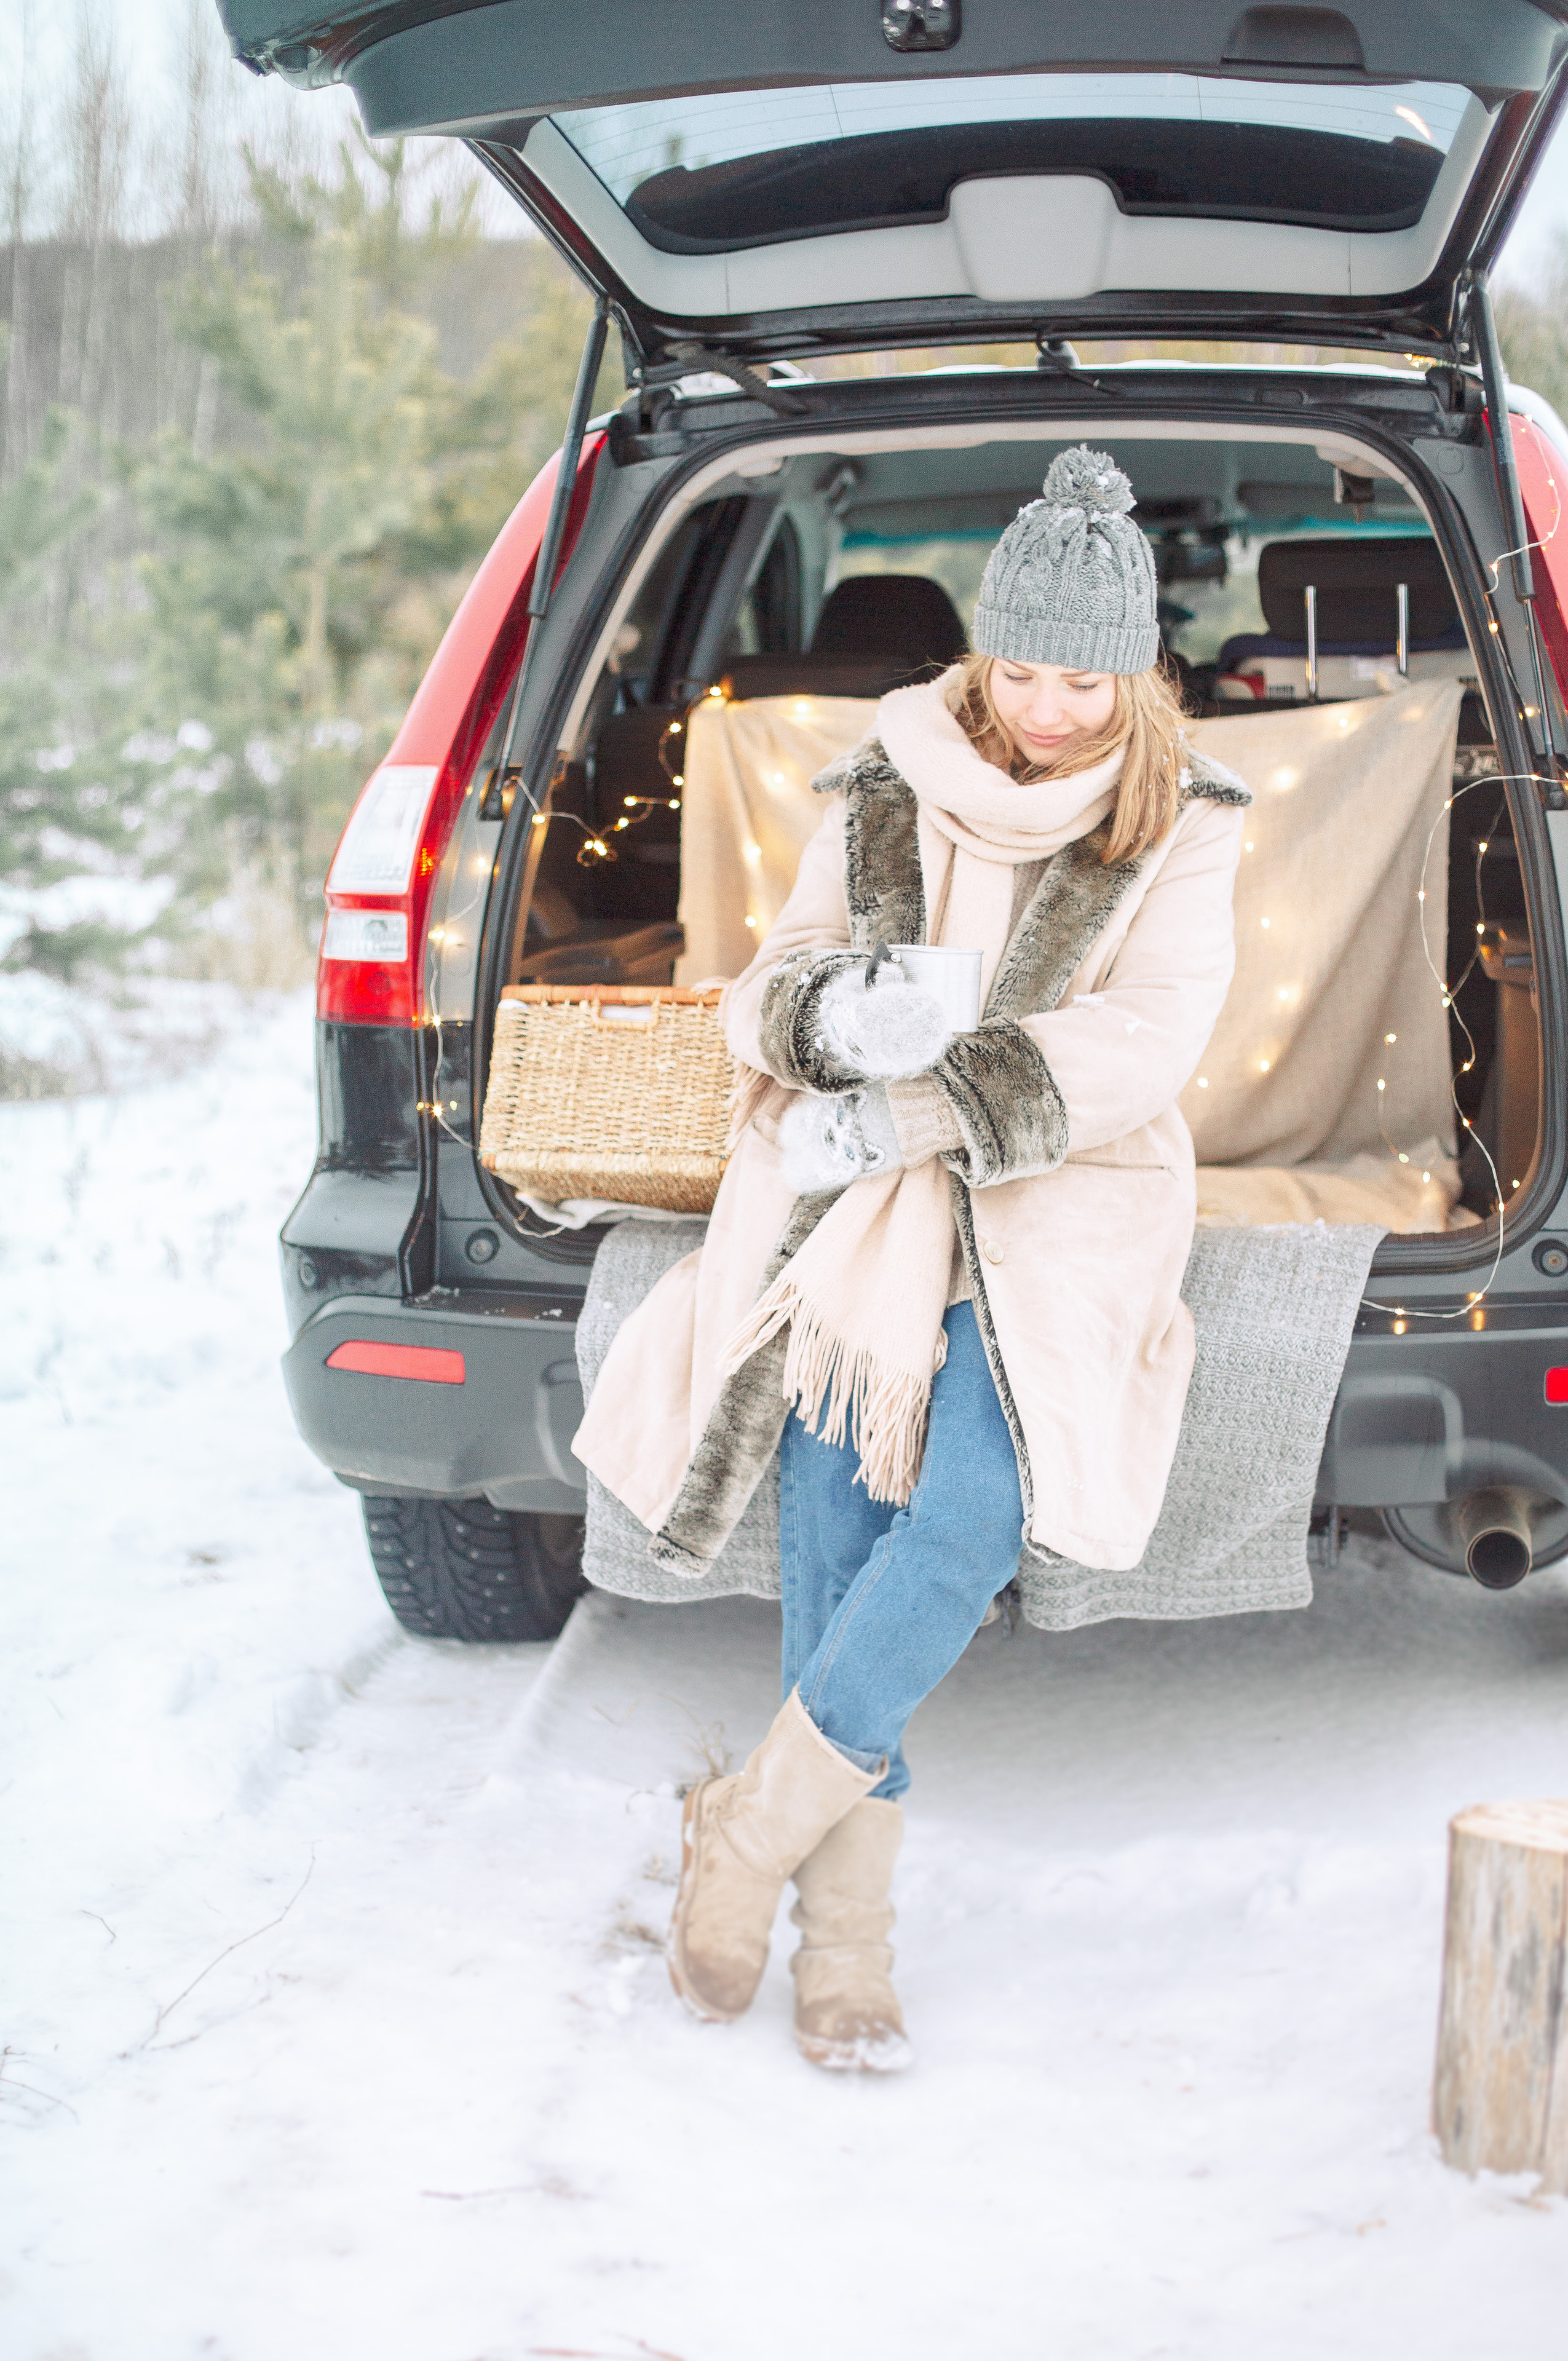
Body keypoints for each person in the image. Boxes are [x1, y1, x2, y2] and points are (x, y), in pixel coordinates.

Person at [573, 446, 1251, 2073]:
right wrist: (830, 1023)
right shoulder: (885, 778)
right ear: (982, 653)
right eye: (1022, 671)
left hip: (1050, 1199)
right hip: (849, 1202)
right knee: (833, 1529)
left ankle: (744, 1834)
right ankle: (847, 1945)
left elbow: (1148, 1041)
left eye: (1087, 681)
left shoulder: (1187, 819)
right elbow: (771, 984)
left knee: (963, 1512)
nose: (1052, 711)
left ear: (1140, 672)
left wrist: (942, 1103)